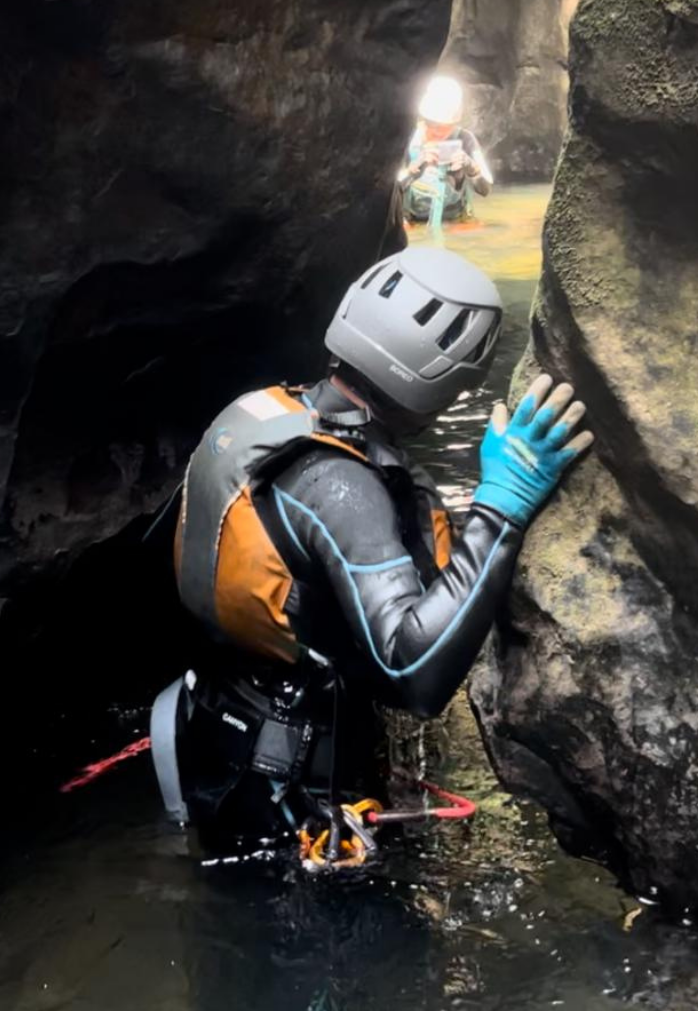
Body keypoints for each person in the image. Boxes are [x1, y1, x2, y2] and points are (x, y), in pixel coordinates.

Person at [149, 247, 592, 852]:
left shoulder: (265, 415)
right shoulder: (342, 486)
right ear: (449, 380)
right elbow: (415, 674)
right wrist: (500, 508)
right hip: (293, 795)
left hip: (223, 728)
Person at [398, 75, 493, 225]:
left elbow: (486, 189)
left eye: (444, 128)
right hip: (412, 220)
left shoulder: (466, 139)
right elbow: (386, 191)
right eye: (432, 126)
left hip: (453, 221)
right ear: (423, 119)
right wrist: (413, 170)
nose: (438, 134)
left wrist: (471, 168)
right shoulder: (408, 138)